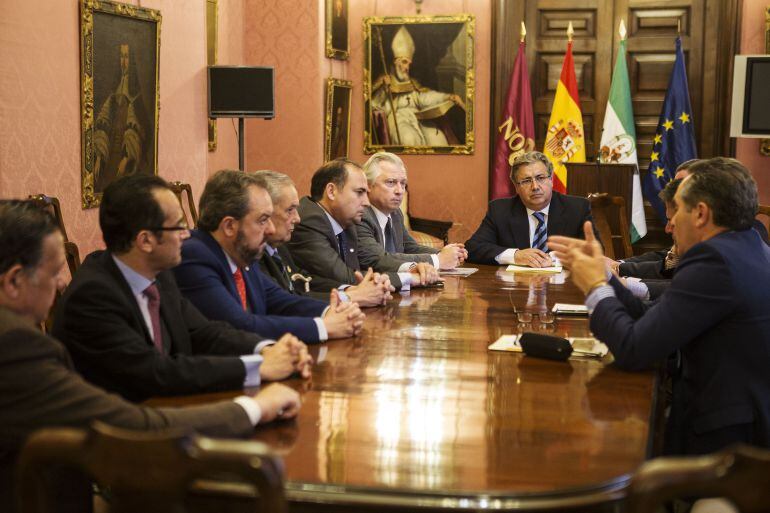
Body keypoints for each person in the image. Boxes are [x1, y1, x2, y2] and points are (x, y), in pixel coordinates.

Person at [0, 200, 301, 512]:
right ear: (14, 280)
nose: (63, 282)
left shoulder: (159, 275)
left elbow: (203, 332)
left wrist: (264, 355)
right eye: (54, 272)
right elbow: (132, 427)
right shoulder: (15, 346)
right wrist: (255, 407)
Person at [549, 157, 770, 455]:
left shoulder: (715, 262)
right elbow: (651, 317)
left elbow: (633, 348)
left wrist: (595, 288)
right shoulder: (747, 246)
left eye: (677, 208)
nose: (671, 224)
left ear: (701, 214)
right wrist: (603, 276)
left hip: (724, 447)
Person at [52, 175, 312, 402]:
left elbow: (205, 332)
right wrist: (258, 368)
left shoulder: (159, 276)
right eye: (178, 226)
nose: (186, 235)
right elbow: (156, 372)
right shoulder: (93, 297)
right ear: (145, 240)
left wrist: (266, 349)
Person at [173, 170, 365, 344]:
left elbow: (279, 300)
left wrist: (332, 311)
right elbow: (240, 325)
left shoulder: (241, 251)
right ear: (229, 226)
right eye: (263, 220)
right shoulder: (194, 256)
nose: (271, 229)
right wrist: (325, 327)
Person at [287, 158, 438, 293]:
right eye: (359, 192)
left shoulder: (347, 220)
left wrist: (411, 269)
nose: (366, 202)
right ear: (331, 191)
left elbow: (358, 272)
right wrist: (408, 277)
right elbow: (346, 277)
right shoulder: (310, 221)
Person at [253, 170, 397, 307]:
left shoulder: (278, 246)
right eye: (290, 210)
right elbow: (283, 301)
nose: (297, 219)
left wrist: (351, 290)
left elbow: (303, 280)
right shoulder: (253, 254)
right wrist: (352, 297)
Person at [465, 151, 595, 267]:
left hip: (565, 287)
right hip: (515, 288)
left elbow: (595, 251)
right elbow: (472, 249)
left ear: (551, 180)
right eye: (527, 181)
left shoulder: (577, 208)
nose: (535, 186)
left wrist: (554, 258)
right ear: (516, 187)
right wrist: (515, 256)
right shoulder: (500, 210)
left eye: (540, 178)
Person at [356, 152, 468, 273]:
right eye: (390, 182)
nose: (399, 191)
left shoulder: (395, 213)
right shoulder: (359, 214)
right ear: (368, 185)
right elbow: (377, 259)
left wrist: (448, 253)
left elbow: (409, 247)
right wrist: (438, 260)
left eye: (403, 183)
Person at [370, 25, 465, 147]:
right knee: (408, 138)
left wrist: (447, 97)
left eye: (409, 64)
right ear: (395, 63)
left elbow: (425, 98)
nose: (407, 67)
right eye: (404, 62)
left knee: (437, 138)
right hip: (398, 121)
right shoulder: (385, 83)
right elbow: (375, 105)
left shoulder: (412, 84)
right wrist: (384, 89)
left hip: (418, 119)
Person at [93, 44, 150, 193]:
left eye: (126, 57)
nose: (123, 61)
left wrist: (127, 156)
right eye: (121, 56)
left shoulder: (135, 94)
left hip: (124, 153)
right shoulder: (115, 90)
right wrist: (99, 154)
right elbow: (103, 118)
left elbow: (136, 127)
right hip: (111, 148)